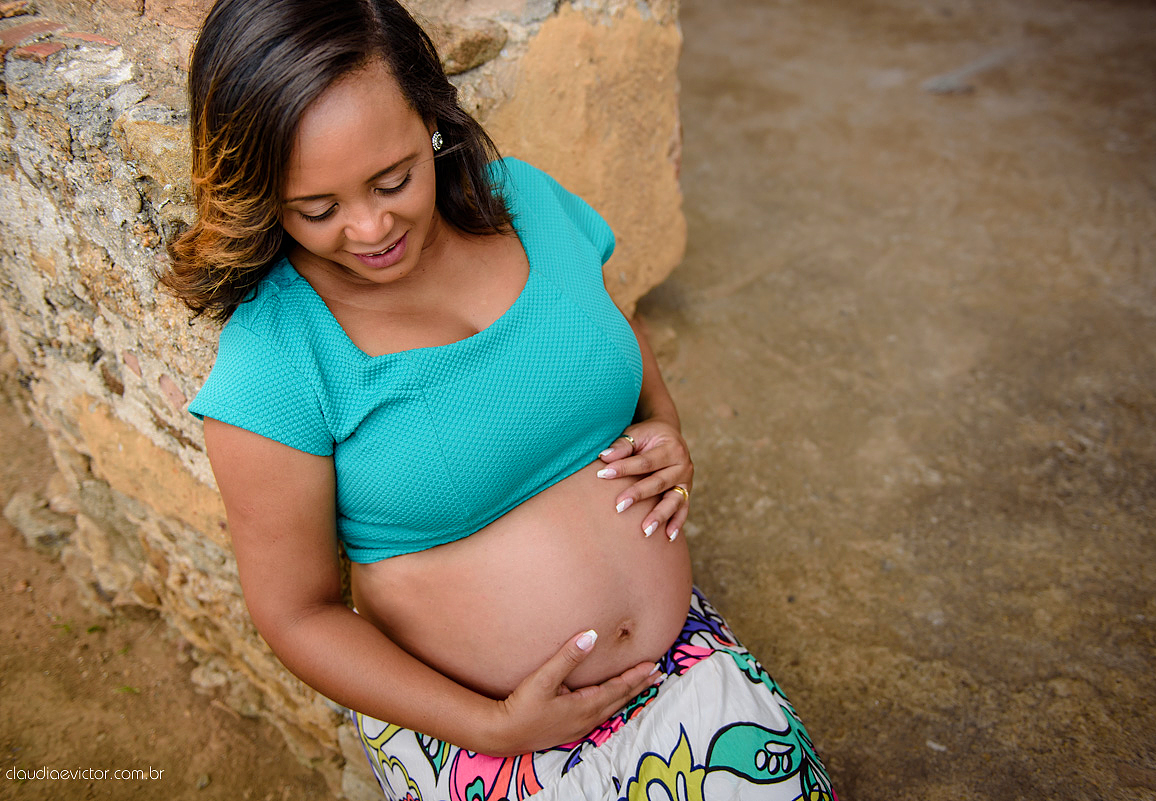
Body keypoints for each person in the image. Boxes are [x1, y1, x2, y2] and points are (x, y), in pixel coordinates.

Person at [164, 0, 837, 798]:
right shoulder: (277, 353)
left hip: (681, 665)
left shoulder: (523, 200)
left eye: (394, 179)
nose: (372, 226)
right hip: (486, 739)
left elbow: (611, 337)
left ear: (432, 121)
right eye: (318, 209)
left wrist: (666, 434)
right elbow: (298, 614)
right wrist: (492, 727)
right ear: (262, 196)